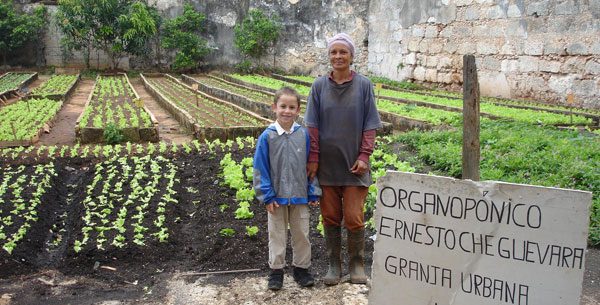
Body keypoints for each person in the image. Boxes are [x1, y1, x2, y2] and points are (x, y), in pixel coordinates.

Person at [304, 33, 382, 285]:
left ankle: (357, 264)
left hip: (353, 164)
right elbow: (312, 125)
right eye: (333, 52)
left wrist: (364, 155)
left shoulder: (363, 85)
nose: (338, 56)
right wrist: (313, 158)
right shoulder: (318, 86)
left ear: (351, 56)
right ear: (329, 56)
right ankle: (333, 265)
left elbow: (370, 123)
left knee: (353, 216)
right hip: (327, 165)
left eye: (343, 52)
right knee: (329, 217)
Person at [253, 87, 322, 291]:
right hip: (276, 198)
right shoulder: (267, 137)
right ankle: (276, 271)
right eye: (283, 106)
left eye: (292, 107)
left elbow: (311, 166)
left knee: (302, 233)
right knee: (277, 234)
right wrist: (266, 196)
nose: (287, 111)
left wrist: (313, 191)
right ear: (274, 107)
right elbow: (260, 168)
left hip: (300, 196)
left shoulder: (304, 135)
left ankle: (301, 269)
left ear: (298, 110)